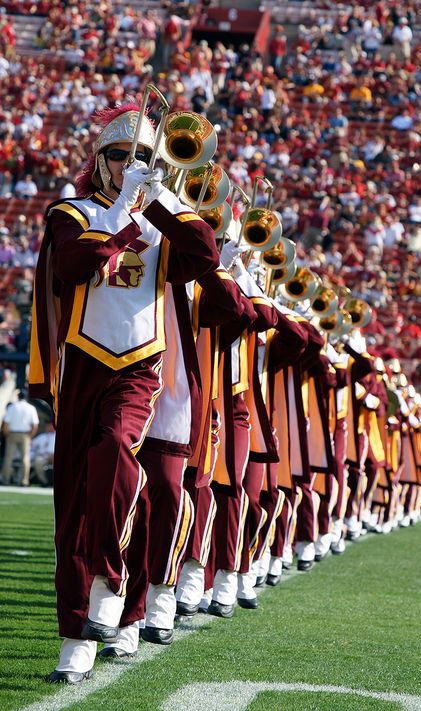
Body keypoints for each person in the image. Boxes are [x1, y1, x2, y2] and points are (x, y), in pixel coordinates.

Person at [29, 102, 219, 684]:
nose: (130, 163)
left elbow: (205, 256)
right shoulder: (73, 209)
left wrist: (157, 199)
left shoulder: (163, 217)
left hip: (140, 369)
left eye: (142, 155)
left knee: (116, 449)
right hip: (83, 367)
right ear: (101, 161)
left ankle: (113, 585)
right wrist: (119, 212)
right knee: (73, 510)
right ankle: (75, 639)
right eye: (120, 155)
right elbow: (73, 262)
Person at [1, 390, 39, 486]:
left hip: (12, 434)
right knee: (25, 458)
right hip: (25, 435)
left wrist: (7, 434)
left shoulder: (13, 407)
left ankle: (6, 480)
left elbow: (5, 423)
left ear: (18, 397)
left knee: (8, 458)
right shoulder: (31, 408)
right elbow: (35, 425)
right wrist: (30, 436)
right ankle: (24, 481)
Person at [30, 421, 55, 486]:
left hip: (55, 456)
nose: (48, 427)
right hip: (44, 456)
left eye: (50, 426)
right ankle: (44, 482)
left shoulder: (58, 435)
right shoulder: (41, 436)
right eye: (47, 426)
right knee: (38, 461)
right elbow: (31, 446)